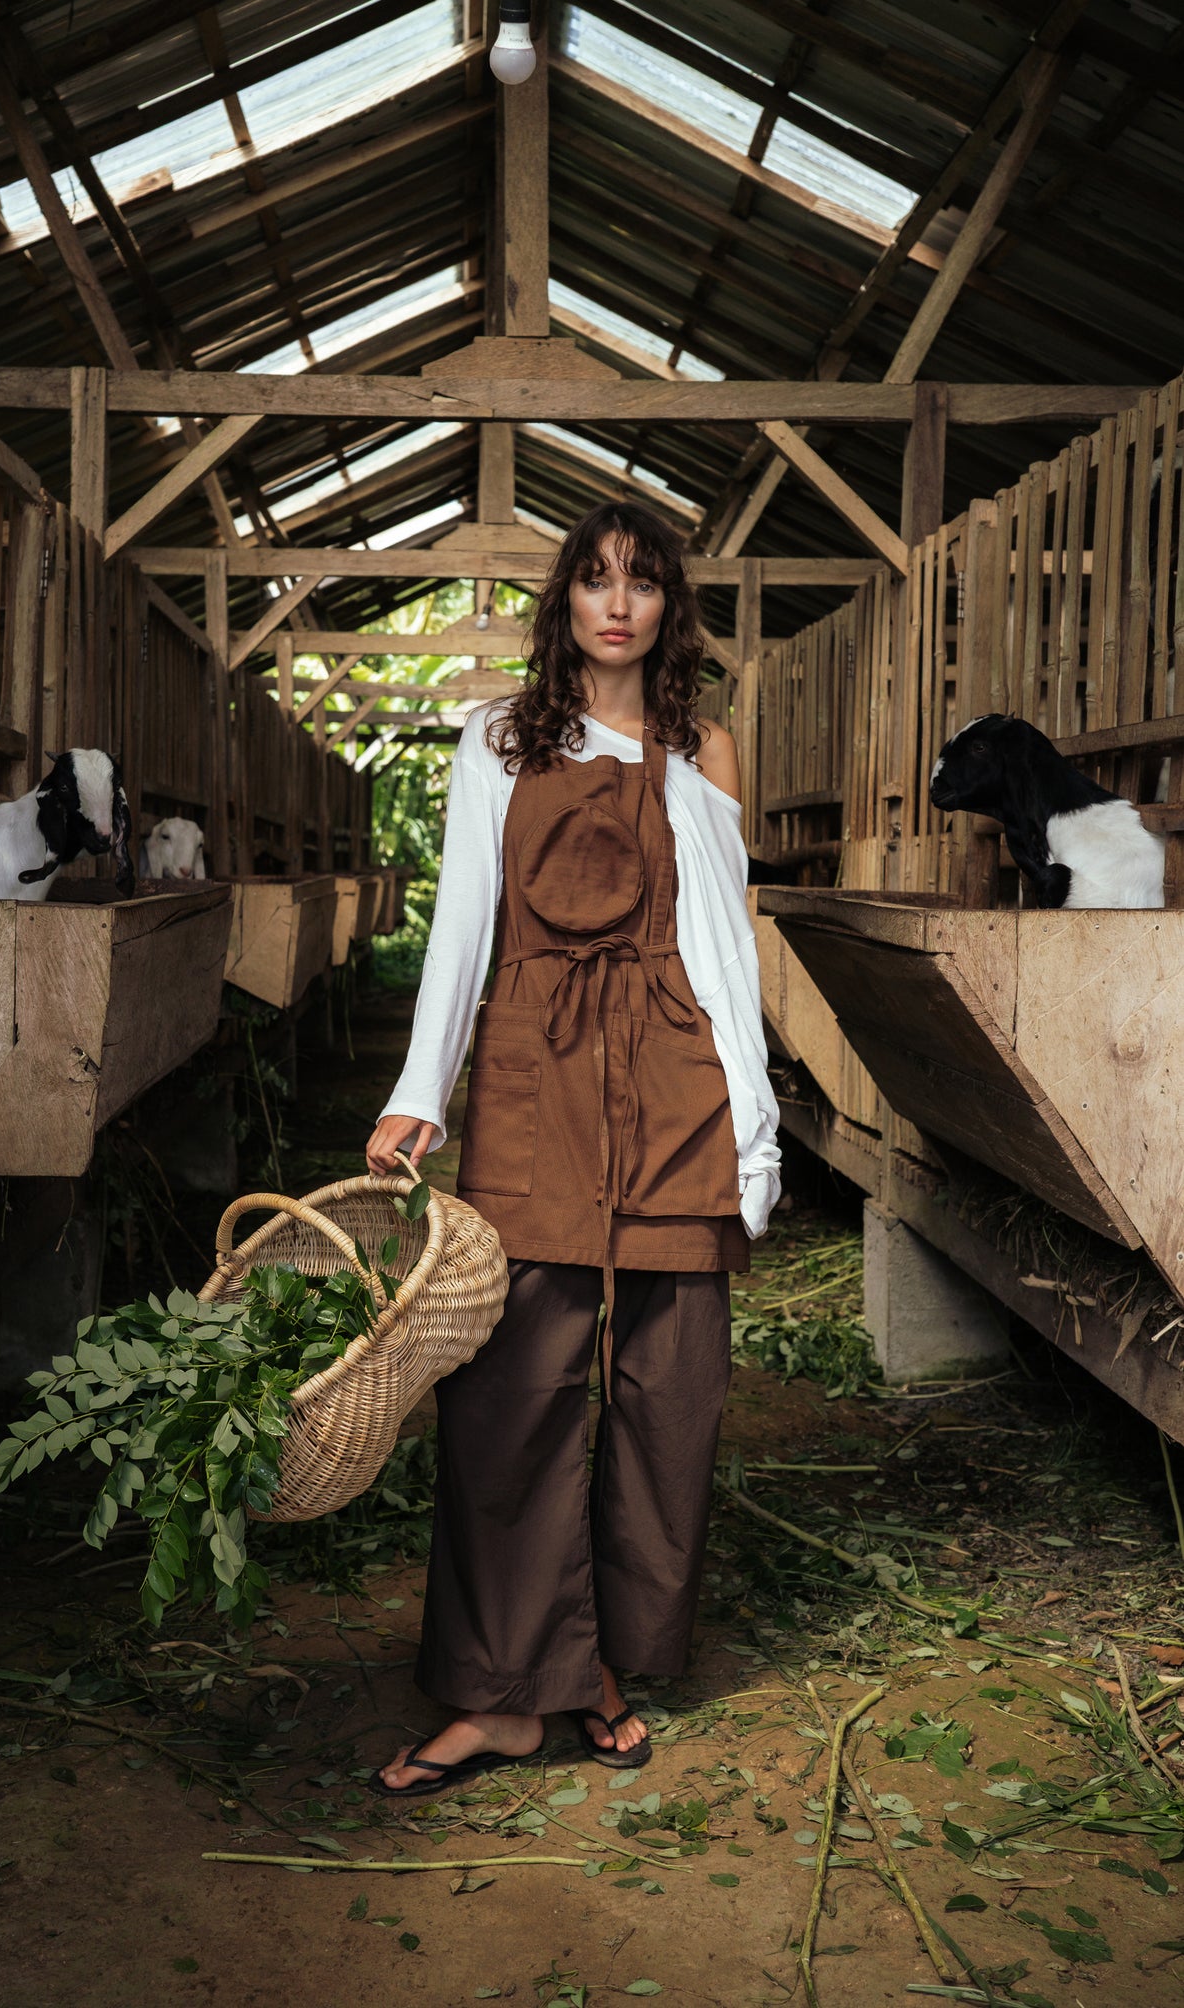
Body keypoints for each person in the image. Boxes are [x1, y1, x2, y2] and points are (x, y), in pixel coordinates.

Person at [365, 500, 781, 1795]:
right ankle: (498, 1694)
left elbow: (723, 936)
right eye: (594, 579)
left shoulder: (699, 744)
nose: (617, 601)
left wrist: (752, 1121)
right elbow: (462, 931)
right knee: (506, 1386)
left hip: (670, 1081)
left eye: (642, 580)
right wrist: (417, 1088)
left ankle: (599, 1663)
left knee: (671, 1393)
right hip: (537, 1072)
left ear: (668, 604)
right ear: (565, 601)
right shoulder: (496, 736)